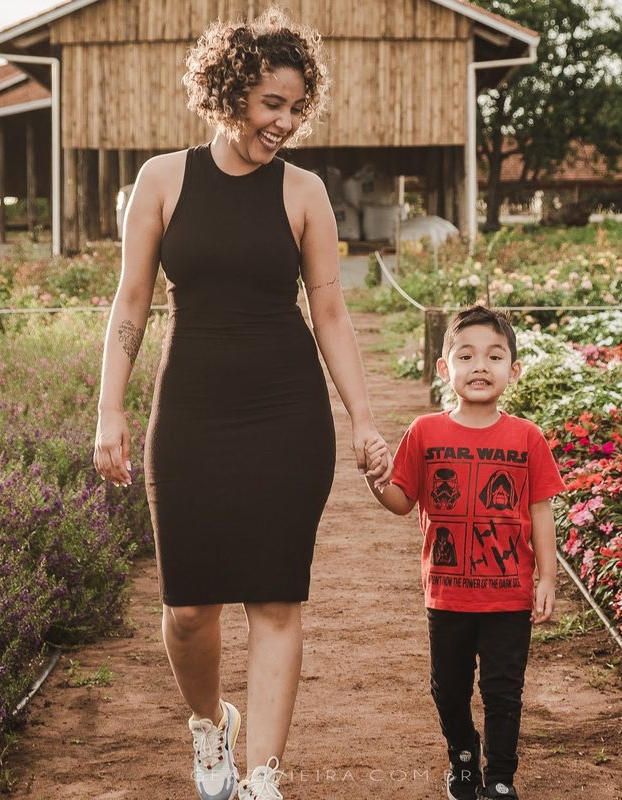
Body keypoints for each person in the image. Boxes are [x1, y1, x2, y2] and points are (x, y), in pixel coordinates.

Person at [92, 8, 392, 800]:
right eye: (270, 104)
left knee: (276, 598)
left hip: (287, 416)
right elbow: (130, 303)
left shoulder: (305, 192)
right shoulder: (162, 180)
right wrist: (109, 410)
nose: (284, 123)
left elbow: (331, 313)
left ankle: (262, 778)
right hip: (190, 412)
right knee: (189, 608)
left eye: (296, 107)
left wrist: (362, 419)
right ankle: (209, 724)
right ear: (229, 94)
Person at [366, 306, 566, 800]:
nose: (480, 366)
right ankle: (462, 756)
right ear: (444, 368)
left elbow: (540, 511)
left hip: (509, 594)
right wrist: (377, 480)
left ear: (513, 371)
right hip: (448, 594)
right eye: (467, 356)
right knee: (449, 689)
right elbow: (402, 501)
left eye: (494, 357)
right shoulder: (424, 432)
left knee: (503, 691)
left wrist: (546, 577)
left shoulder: (527, 437)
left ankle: (500, 778)